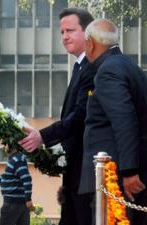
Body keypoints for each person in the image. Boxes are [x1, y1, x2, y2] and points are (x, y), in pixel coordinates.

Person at [17, 8, 95, 225]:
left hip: (86, 169)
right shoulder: (80, 67)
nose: (65, 37)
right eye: (61, 32)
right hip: (74, 170)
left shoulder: (91, 67)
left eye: (70, 30)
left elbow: (80, 116)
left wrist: (41, 136)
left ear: (88, 33)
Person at [80, 18, 147, 224]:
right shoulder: (128, 65)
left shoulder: (107, 71)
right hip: (128, 171)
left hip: (115, 177)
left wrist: (128, 171)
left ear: (90, 43)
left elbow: (124, 120)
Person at [0, 145, 33, 225]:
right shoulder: (14, 160)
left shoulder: (17, 160)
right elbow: (4, 177)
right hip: (18, 203)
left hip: (13, 204)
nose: (3, 147)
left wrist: (28, 199)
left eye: (5, 144)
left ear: (11, 144)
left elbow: (26, 179)